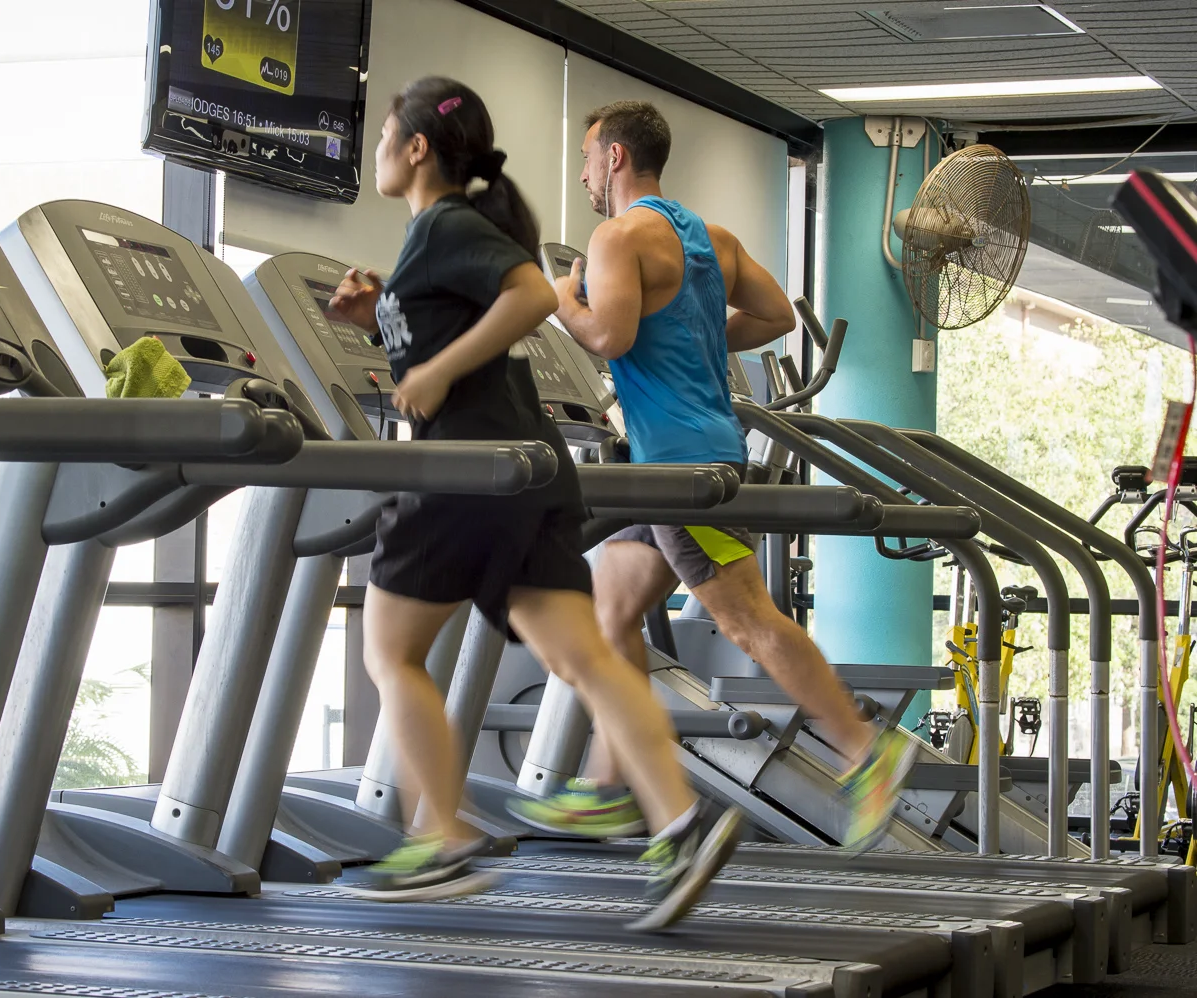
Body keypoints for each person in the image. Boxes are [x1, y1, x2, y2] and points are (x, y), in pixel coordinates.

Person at [329, 78, 733, 926]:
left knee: (389, 651)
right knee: (585, 655)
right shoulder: (434, 238)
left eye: (383, 135)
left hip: (465, 471)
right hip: (529, 468)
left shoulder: (446, 224)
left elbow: (528, 295)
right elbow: (468, 325)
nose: (375, 150)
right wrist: (384, 322)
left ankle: (442, 837)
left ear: (412, 150)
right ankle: (681, 824)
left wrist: (435, 372)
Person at [517, 99, 918, 855]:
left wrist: (564, 301)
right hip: (679, 458)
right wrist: (695, 340)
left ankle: (866, 750)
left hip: (676, 465)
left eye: (585, 156)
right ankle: (609, 788)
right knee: (607, 619)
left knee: (745, 619)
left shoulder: (615, 238)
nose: (581, 173)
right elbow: (774, 318)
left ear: (614, 158)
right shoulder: (712, 238)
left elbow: (610, 333)